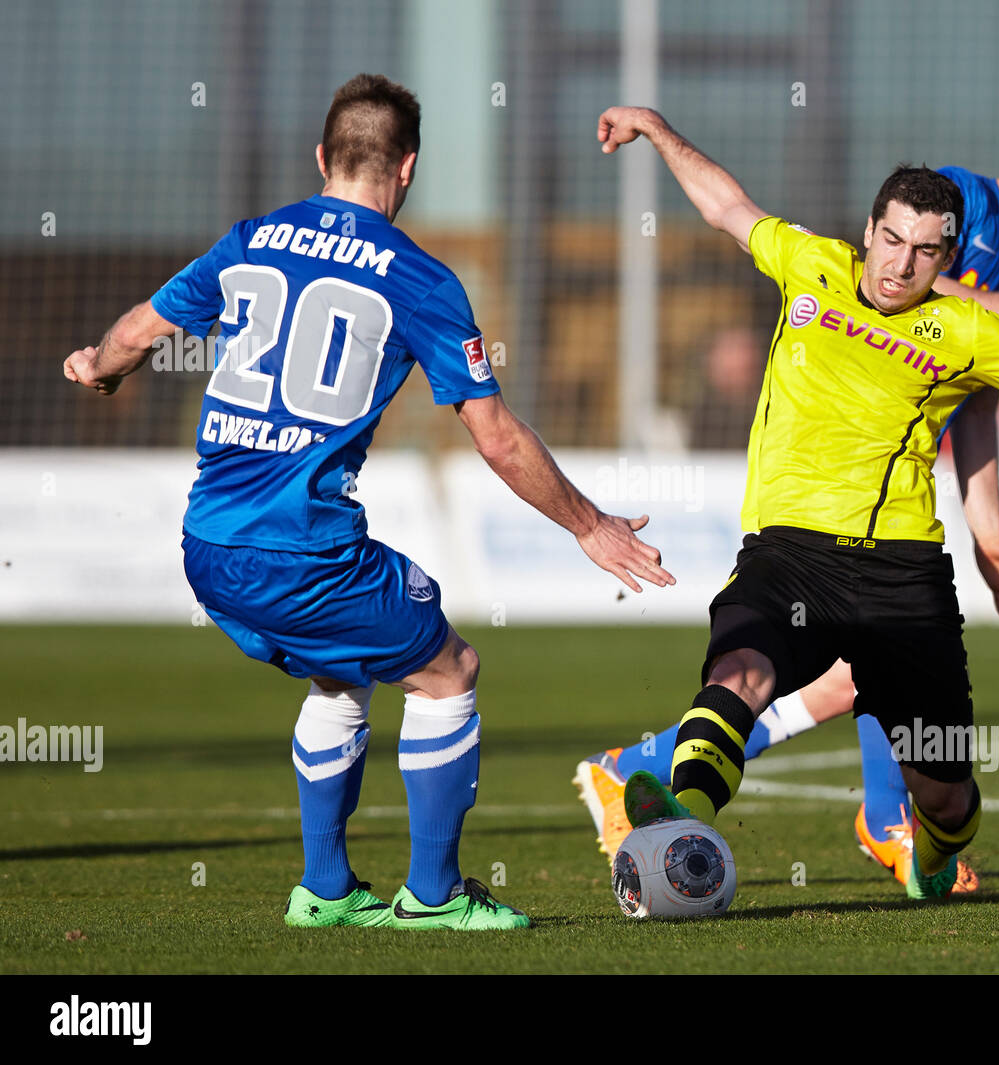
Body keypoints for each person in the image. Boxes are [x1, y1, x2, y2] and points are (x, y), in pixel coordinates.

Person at [63, 73, 674, 931]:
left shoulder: (249, 240)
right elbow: (494, 435)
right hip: (301, 547)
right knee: (448, 670)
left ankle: (326, 890)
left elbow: (136, 331)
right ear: (409, 168)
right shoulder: (419, 278)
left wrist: (97, 365)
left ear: (322, 157)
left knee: (342, 679)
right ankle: (433, 897)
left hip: (207, 541)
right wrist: (590, 524)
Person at [589, 103, 999, 900]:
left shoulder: (967, 330)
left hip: (904, 575)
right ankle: (677, 818)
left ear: (945, 259)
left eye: (924, 251)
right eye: (890, 240)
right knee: (741, 666)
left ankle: (926, 845)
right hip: (790, 551)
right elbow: (724, 204)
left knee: (947, 796)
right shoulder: (810, 263)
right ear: (868, 229)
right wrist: (654, 125)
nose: (899, 264)